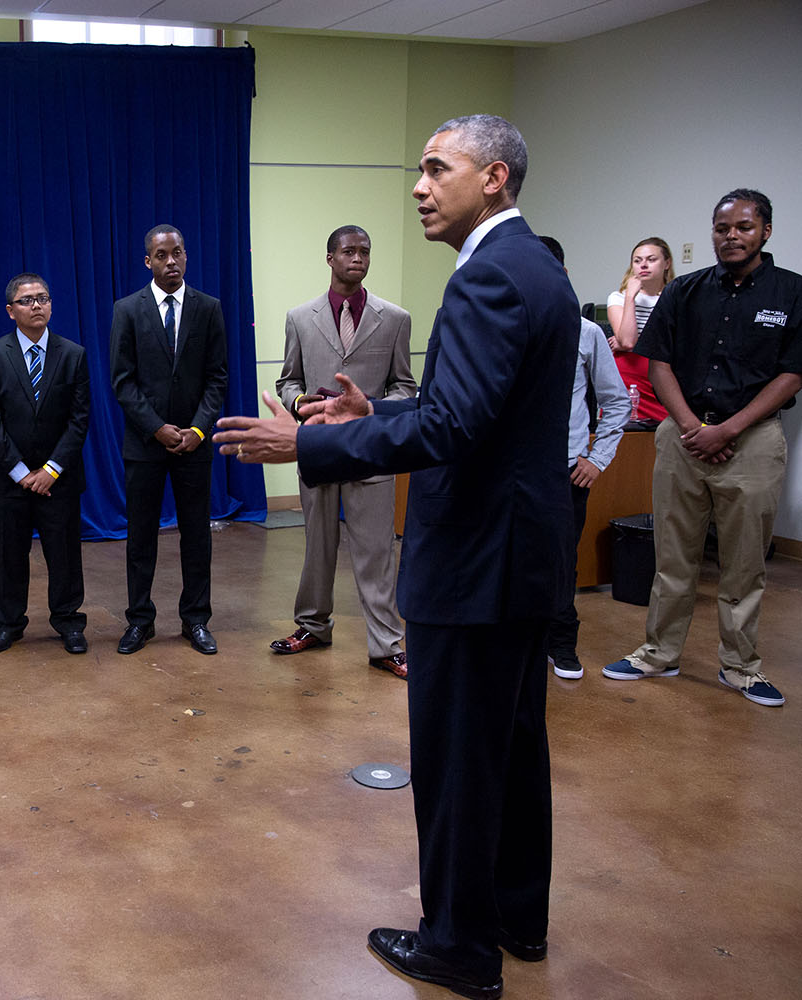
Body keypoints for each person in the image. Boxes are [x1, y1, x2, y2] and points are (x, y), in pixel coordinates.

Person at [215, 115, 576, 1000]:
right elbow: (474, 411)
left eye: (434, 169)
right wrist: (372, 415)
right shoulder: (539, 270)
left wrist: (306, 447)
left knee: (457, 759)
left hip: (476, 566)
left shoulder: (489, 277)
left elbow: (454, 428)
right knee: (513, 749)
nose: (418, 186)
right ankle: (516, 918)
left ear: (493, 178)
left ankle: (459, 945)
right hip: (524, 559)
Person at [604, 189, 801, 707]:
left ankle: (740, 667)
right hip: (683, 435)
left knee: (743, 562)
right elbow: (657, 361)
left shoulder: (791, 293)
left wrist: (730, 428)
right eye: (721, 228)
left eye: (742, 227)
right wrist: (693, 425)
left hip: (753, 441)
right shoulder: (685, 291)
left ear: (766, 231)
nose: (730, 236)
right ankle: (657, 654)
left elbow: (792, 374)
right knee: (672, 554)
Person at [273, 225, 415, 677]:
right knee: (318, 547)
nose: (358, 258)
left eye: (365, 252)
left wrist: (367, 409)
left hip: (370, 450)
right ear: (330, 258)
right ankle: (312, 625)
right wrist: (299, 403)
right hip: (319, 445)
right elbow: (288, 380)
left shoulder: (394, 318)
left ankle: (387, 644)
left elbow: (405, 387)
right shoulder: (300, 317)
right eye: (348, 251)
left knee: (376, 551)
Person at [110, 224, 228, 656]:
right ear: (148, 261)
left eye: (177, 252)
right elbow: (122, 382)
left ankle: (196, 620)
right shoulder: (127, 310)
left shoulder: (208, 308)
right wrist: (156, 427)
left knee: (196, 535)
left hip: (193, 445)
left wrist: (197, 430)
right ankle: (140, 621)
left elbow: (217, 378)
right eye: (162, 255)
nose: (171, 261)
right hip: (145, 444)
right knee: (141, 536)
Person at [0, 273, 91, 655]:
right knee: (11, 556)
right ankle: (9, 624)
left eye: (43, 298)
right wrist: (23, 473)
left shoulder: (73, 354)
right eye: (26, 300)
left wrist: (51, 470)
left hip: (59, 479)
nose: (36, 305)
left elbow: (79, 419)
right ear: (11, 311)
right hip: (11, 481)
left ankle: (69, 622)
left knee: (64, 555)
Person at [537, 238, 630, 681]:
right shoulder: (503, 327)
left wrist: (598, 458)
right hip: (511, 470)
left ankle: (561, 643)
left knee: (561, 560)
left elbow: (616, 403)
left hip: (564, 470)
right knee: (513, 558)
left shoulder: (587, 332)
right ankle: (521, 642)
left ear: (563, 275)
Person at [606, 237, 675, 424]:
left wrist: (628, 342)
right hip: (629, 377)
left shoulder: (676, 299)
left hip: (663, 375)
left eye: (651, 259)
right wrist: (630, 297)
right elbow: (628, 341)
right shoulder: (618, 297)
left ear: (666, 263)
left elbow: (677, 343)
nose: (643, 265)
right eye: (637, 261)